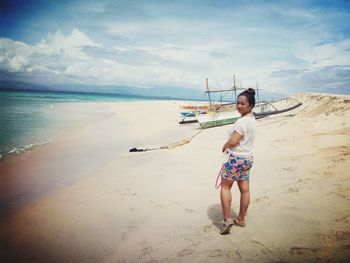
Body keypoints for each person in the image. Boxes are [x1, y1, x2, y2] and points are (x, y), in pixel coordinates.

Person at [219, 88, 257, 235]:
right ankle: (240, 219)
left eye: (243, 104)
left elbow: (234, 141)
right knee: (245, 190)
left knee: (225, 188)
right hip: (247, 159)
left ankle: (227, 219)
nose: (239, 106)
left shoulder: (242, 122)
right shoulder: (253, 120)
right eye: (237, 103)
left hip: (235, 159)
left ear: (251, 105)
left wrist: (226, 144)